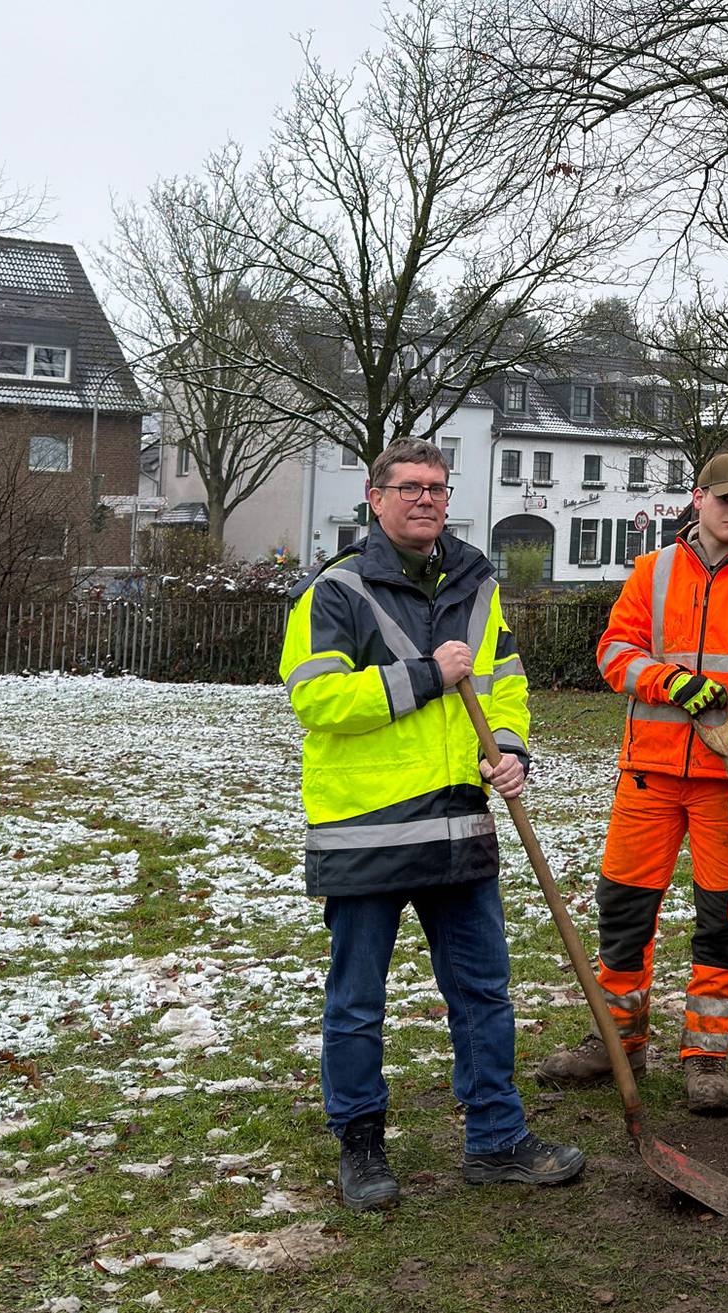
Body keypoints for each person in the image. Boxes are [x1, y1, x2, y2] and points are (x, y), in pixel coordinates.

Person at [279, 437, 584, 1212]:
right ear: (375, 497)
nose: (425, 498)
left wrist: (507, 751)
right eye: (410, 486)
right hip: (368, 830)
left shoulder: (478, 585)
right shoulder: (337, 590)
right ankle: (360, 1147)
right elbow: (318, 699)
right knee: (357, 1002)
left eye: (437, 487)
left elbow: (505, 685)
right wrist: (425, 675)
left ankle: (496, 1138)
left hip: (457, 824)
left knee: (483, 992)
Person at [536, 453, 728, 1115]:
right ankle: (618, 1040)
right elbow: (614, 653)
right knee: (624, 911)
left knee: (726, 920)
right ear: (698, 499)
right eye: (726, 498)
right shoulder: (653, 571)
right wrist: (672, 682)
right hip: (650, 775)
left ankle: (706, 1057)